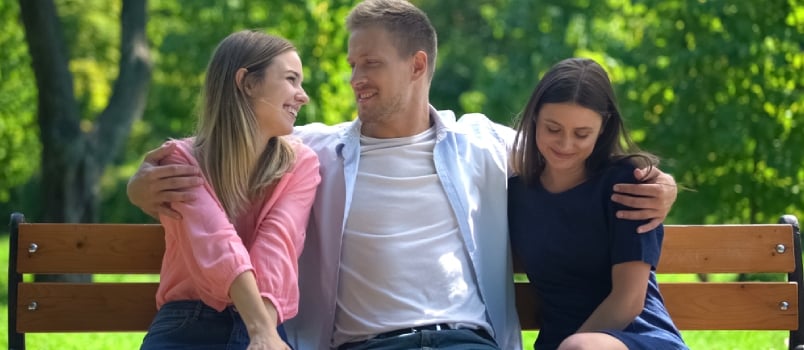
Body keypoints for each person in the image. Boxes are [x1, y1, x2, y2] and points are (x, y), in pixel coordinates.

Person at [128, 1, 678, 349]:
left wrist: (661, 184)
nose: (354, 79)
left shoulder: (480, 142)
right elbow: (227, 145)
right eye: (352, 65)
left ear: (417, 66)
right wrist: (139, 185)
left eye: (370, 64)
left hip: (467, 343)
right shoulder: (312, 149)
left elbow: (575, 155)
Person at [138, 30, 321, 350]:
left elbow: (277, 246)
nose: (303, 95)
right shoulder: (180, 159)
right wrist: (261, 331)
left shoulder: (301, 164)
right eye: (291, 80)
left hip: (264, 319)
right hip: (187, 324)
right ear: (247, 83)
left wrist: (263, 333)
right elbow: (215, 240)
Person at [508, 58, 687, 350]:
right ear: (534, 120)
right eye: (553, 129)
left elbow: (628, 302)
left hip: (636, 339)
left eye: (582, 134)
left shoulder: (628, 186)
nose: (565, 145)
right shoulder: (516, 194)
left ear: (603, 129)